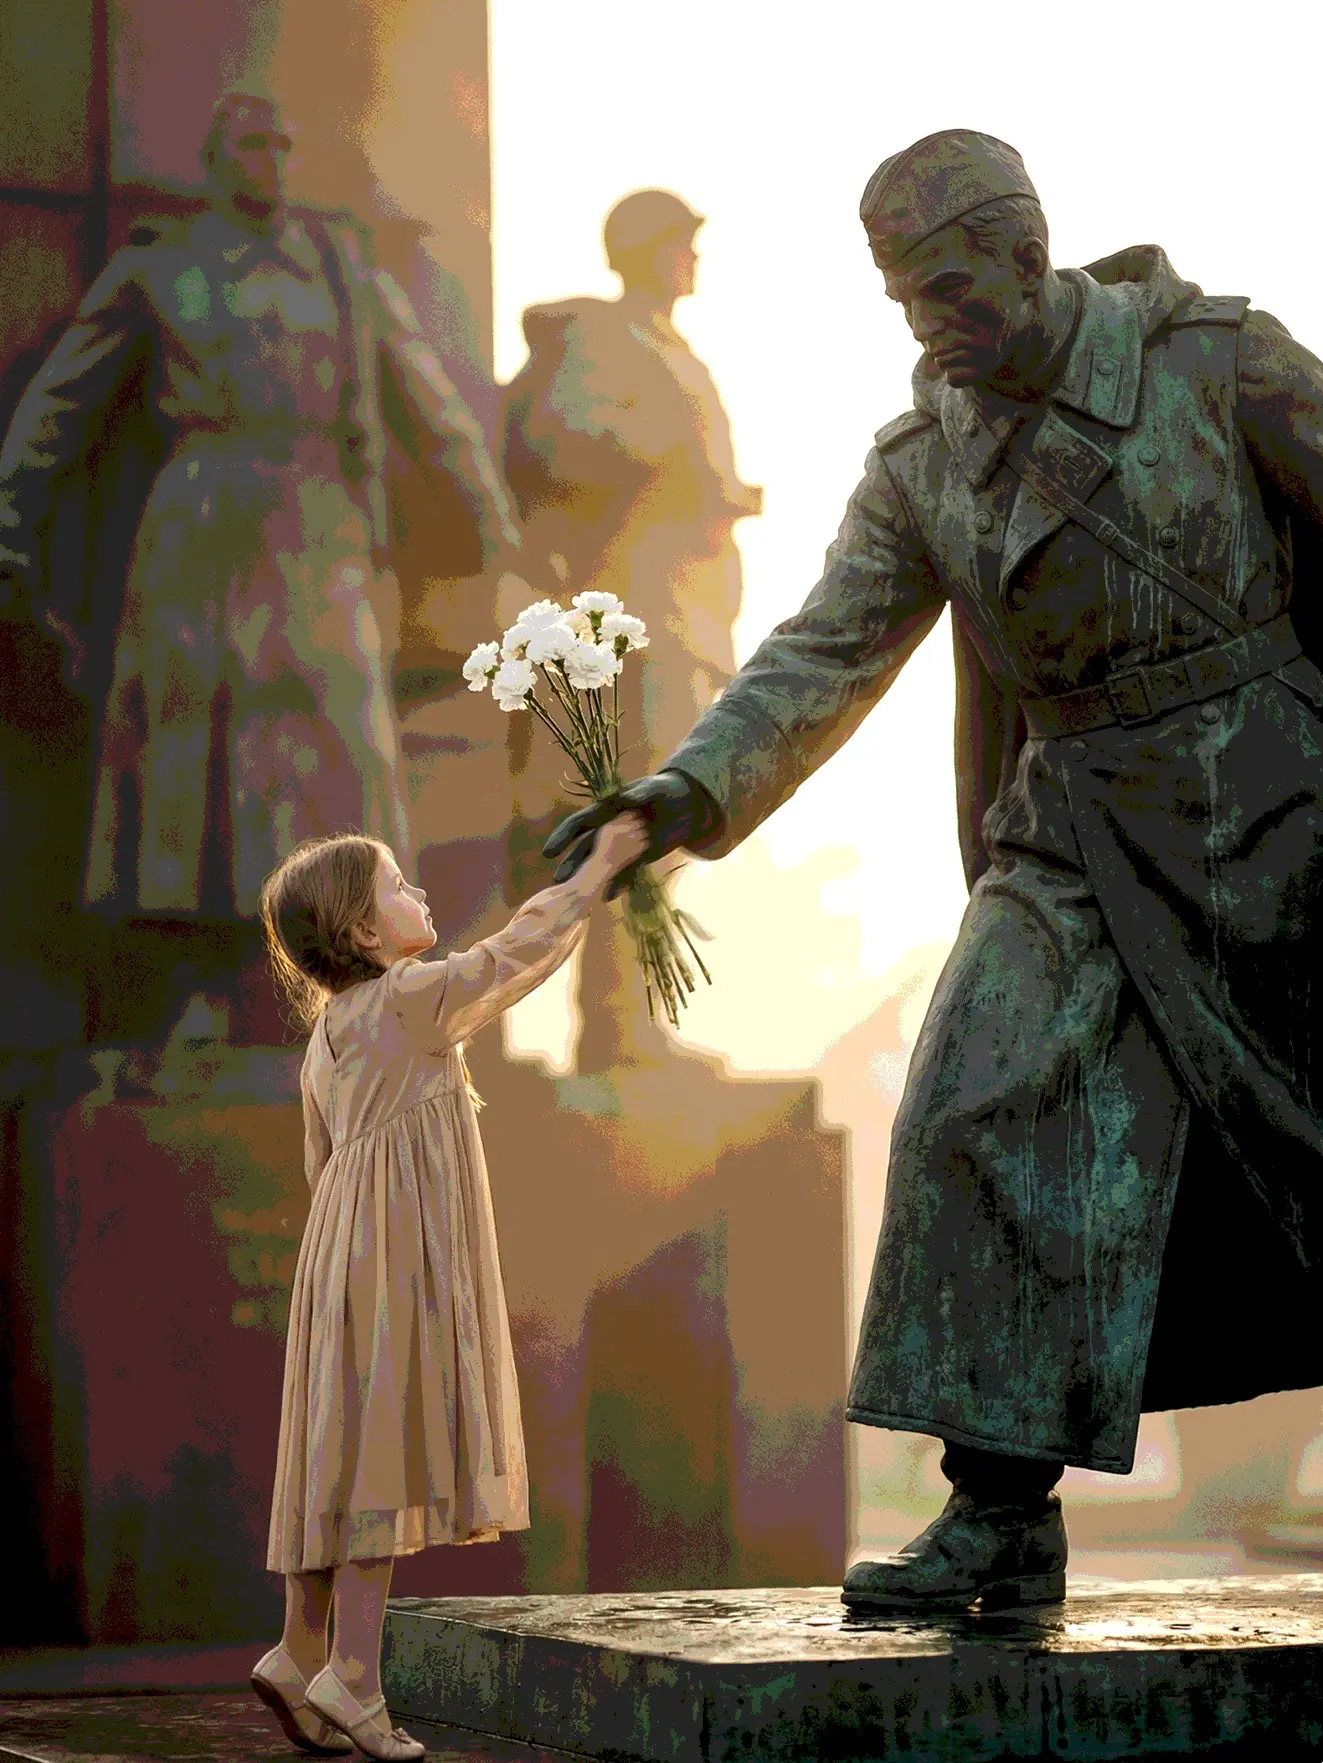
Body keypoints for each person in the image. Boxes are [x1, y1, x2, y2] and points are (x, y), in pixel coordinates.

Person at [546, 128, 1323, 1610]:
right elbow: (823, 645)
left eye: (949, 291)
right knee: (971, 1095)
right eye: (902, 298)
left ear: (1031, 255)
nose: (924, 325)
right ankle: (999, 1508)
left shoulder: (1214, 364)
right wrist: (683, 787)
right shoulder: (923, 461)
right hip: (1070, 826)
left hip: (1272, 807)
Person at [0, 90, 521, 942]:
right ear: (213, 161)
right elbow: (60, 404)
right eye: (250, 145)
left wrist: (494, 526)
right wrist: (10, 519)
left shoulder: (344, 275)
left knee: (343, 738)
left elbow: (434, 408)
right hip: (200, 517)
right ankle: (196, 955)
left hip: (318, 519)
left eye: (281, 145)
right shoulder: (159, 267)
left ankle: (333, 937)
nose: (270, 162)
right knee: (190, 747)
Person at [249, 812, 647, 1758]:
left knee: (337, 1442)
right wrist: (595, 871)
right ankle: (353, 1672)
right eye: (397, 886)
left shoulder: (326, 1038)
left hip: (335, 1255)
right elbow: (510, 957)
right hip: (392, 1252)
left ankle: (299, 1647)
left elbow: (319, 1165)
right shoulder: (407, 997)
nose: (419, 894)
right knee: (382, 1450)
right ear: (362, 931)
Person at [501, 190, 761, 1068]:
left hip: (682, 604)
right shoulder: (602, 337)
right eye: (682, 241)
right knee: (634, 809)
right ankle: (617, 1027)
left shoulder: (666, 345)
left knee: (660, 812)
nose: (695, 256)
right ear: (643, 250)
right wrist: (665, 460)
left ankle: (634, 1022)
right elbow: (559, 435)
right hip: (631, 606)